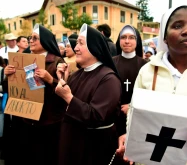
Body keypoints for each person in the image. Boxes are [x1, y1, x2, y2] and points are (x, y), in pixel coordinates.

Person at [117, 5, 187, 165]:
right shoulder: (148, 70)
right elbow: (133, 112)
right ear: (164, 36)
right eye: (178, 26)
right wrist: (131, 139)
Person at [55, 23, 121, 165]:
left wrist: (68, 96)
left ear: (94, 47)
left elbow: (95, 116)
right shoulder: (77, 74)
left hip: (92, 149)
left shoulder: (109, 79)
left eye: (80, 43)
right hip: (72, 144)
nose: (75, 48)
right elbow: (65, 109)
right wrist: (63, 81)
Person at [3, 23, 66, 165]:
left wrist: (50, 79)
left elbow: (66, 93)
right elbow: (10, 89)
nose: (31, 40)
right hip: (27, 121)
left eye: (35, 38)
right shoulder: (23, 60)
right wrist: (8, 76)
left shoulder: (57, 62)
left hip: (49, 123)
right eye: (30, 37)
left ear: (45, 41)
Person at [112, 25, 146, 165]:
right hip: (113, 117)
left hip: (136, 119)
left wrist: (132, 107)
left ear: (137, 41)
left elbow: (149, 94)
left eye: (131, 37)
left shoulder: (145, 65)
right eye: (123, 37)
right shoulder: (111, 62)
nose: (127, 41)